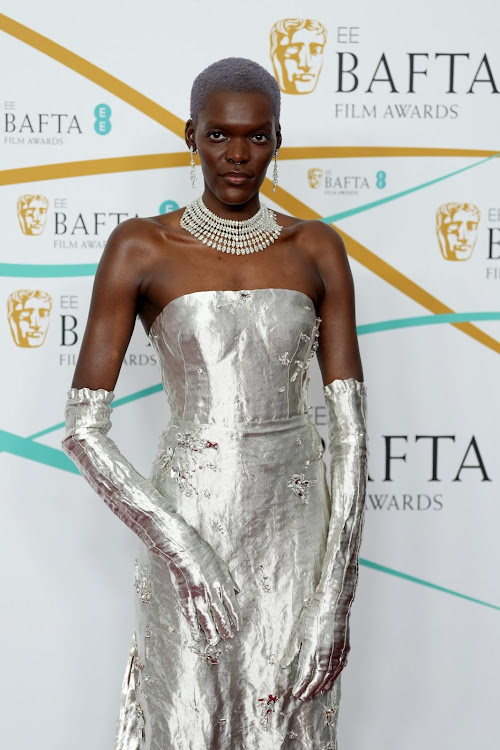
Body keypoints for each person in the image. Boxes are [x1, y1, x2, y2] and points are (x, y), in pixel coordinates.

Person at [62, 57, 368, 750]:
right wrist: (181, 549)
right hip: (187, 526)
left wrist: (336, 596)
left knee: (290, 725)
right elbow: (83, 429)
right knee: (187, 723)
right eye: (220, 136)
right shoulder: (141, 246)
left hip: (297, 534)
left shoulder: (315, 248)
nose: (237, 156)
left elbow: (350, 435)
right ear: (190, 134)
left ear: (279, 140)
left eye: (257, 138)